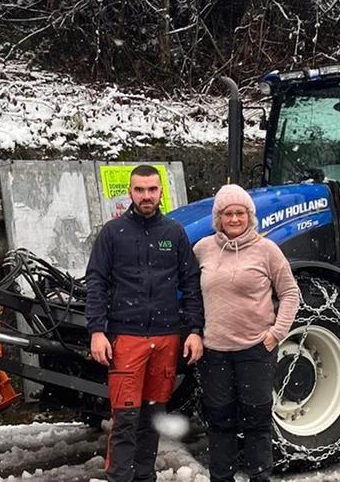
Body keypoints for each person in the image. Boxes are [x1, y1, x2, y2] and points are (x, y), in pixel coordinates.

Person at [85, 164, 204, 482]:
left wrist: (194, 331)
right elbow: (96, 281)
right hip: (127, 338)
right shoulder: (113, 233)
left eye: (152, 189)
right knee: (124, 419)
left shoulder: (174, 233)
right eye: (140, 189)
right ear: (130, 192)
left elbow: (191, 282)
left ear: (161, 191)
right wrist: (97, 330)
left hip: (167, 339)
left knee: (152, 417)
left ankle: (144, 477)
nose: (146, 195)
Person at [194, 184, 300, 482]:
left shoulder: (267, 250)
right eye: (228, 213)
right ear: (218, 217)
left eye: (240, 212)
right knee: (219, 420)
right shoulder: (202, 248)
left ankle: (260, 477)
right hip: (215, 351)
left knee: (256, 422)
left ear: (249, 215)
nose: (235, 219)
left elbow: (290, 293)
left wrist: (276, 333)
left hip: (256, 349)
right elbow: (190, 292)